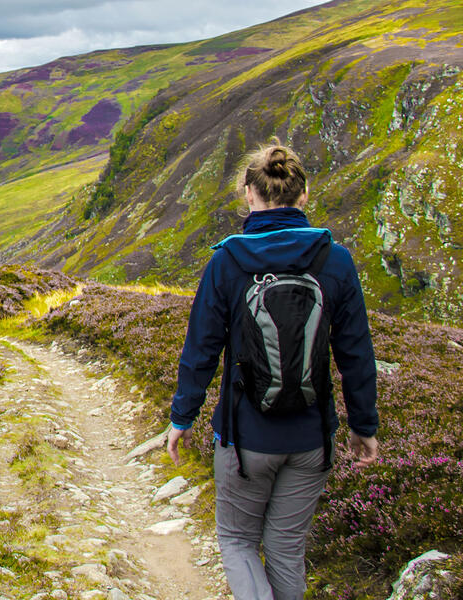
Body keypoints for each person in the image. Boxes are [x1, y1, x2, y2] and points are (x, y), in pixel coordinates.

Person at [165, 141, 380, 600]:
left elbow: (200, 350)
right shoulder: (335, 261)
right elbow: (356, 354)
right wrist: (364, 426)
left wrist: (182, 417)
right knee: (286, 548)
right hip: (311, 438)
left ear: (249, 194)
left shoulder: (227, 263)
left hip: (245, 439)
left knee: (238, 541)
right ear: (303, 196)